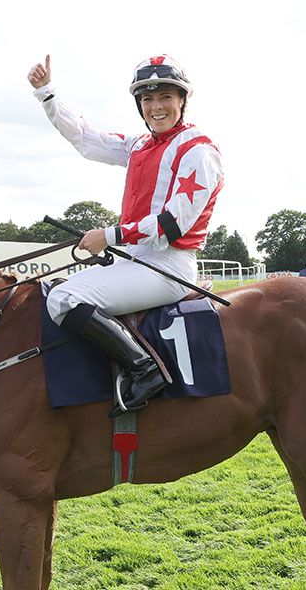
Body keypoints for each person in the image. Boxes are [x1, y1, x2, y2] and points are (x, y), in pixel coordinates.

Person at [27, 54, 224, 415]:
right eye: (147, 99)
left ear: (182, 100)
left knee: (64, 300)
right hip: (137, 261)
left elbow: (171, 224)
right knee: (55, 292)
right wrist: (47, 95)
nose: (156, 107)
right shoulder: (138, 146)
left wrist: (109, 235)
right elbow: (86, 139)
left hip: (170, 266)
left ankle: (145, 370)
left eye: (165, 96)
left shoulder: (199, 151)